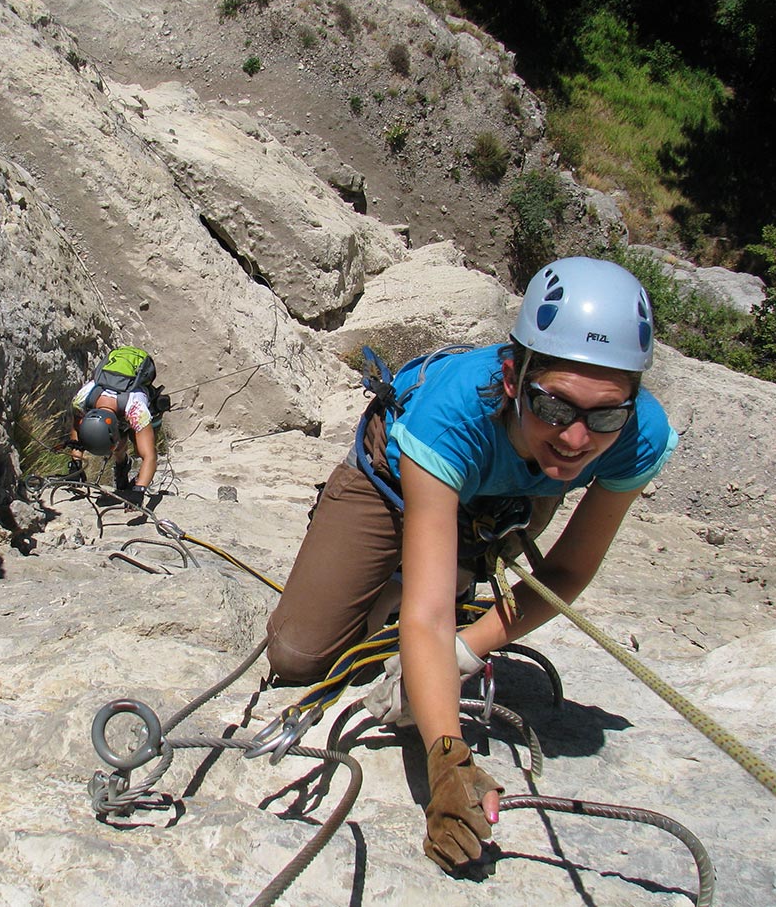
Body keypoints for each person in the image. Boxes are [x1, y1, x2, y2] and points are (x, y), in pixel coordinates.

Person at [265, 257, 678, 872]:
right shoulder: (453, 413)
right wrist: (447, 761)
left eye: (606, 416)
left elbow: (563, 576)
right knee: (298, 656)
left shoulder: (639, 437)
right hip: (392, 482)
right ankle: (382, 562)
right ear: (514, 377)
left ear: (632, 403)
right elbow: (430, 616)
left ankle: (423, 579)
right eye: (556, 407)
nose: (576, 440)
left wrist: (465, 650)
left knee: (429, 639)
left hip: (506, 497)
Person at [63, 346, 165, 506]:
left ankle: (126, 467)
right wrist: (76, 465)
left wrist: (139, 490)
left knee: (141, 450)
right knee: (119, 446)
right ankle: (122, 464)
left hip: (131, 404)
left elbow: (150, 456)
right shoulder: (81, 401)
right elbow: (77, 430)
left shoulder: (137, 410)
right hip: (116, 409)